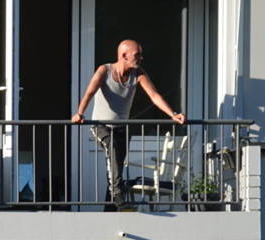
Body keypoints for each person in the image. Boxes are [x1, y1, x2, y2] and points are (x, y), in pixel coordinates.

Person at [71, 39, 186, 209]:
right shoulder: (104, 71)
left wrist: (173, 114)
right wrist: (80, 113)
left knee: (116, 162)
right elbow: (89, 93)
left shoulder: (138, 74)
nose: (141, 57)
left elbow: (154, 96)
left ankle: (109, 208)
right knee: (112, 149)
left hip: (121, 128)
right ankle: (118, 193)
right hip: (100, 126)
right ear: (124, 56)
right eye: (137, 54)